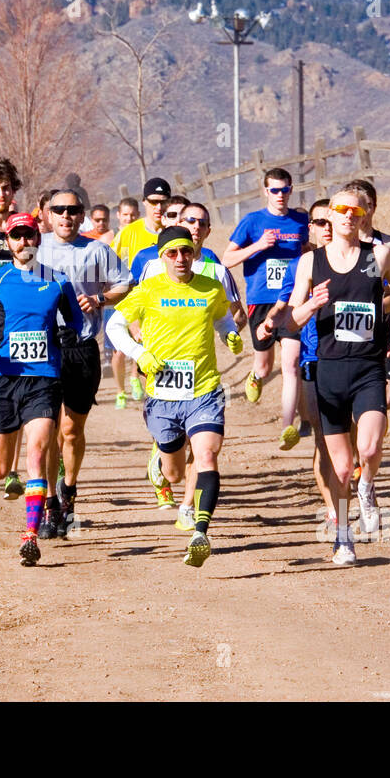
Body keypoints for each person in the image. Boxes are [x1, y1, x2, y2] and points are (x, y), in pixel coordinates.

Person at [273, 188, 390, 565]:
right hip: (329, 372)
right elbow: (290, 321)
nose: (349, 216)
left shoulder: (379, 256)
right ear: (330, 218)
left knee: (367, 449)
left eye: (356, 210)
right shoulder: (310, 264)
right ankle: (342, 537)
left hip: (368, 368)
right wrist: (311, 304)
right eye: (341, 210)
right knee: (339, 466)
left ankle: (367, 486)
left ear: (366, 214)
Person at [107, 226, 244, 567]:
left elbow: (224, 320)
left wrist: (231, 336)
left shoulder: (211, 287)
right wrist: (140, 354)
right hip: (163, 394)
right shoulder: (148, 290)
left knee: (207, 455)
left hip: (204, 389)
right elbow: (114, 327)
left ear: (194, 254)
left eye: (186, 252)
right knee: (174, 474)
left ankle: (201, 530)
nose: (181, 259)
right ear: (162, 256)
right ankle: (163, 463)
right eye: (172, 253)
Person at [0, 212, 83, 565]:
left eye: (30, 235)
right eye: (17, 236)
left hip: (44, 379)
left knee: (38, 453)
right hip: (2, 378)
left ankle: (29, 535)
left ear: (38, 240)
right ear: (8, 243)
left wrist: (70, 334)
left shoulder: (57, 281)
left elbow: (76, 321)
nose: (24, 241)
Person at [136, 201, 247, 530]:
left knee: (203, 449)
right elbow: (135, 312)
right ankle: (164, 451)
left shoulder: (216, 271)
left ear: (207, 232)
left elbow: (234, 314)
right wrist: (141, 342)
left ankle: (188, 505)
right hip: (161, 369)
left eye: (202, 223)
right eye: (189, 221)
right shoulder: (153, 268)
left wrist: (230, 334)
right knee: (174, 452)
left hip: (201, 378)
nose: (195, 228)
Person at [35, 189, 133, 536]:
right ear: (47, 213)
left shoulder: (96, 249)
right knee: (46, 429)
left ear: (82, 215)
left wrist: (99, 299)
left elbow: (126, 284)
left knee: (71, 430)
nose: (65, 215)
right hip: (44, 348)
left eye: (72, 210)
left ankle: (68, 495)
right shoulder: (36, 246)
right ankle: (47, 506)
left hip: (82, 348)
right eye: (58, 209)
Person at [258, 199, 336, 524]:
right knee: (323, 436)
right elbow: (288, 310)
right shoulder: (301, 265)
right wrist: (271, 320)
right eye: (319, 222)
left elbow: (389, 294)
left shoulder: (364, 260)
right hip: (315, 359)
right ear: (311, 229)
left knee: (357, 438)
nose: (327, 228)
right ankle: (334, 509)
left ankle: (361, 480)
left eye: (331, 221)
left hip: (357, 360)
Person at [222, 167, 310, 449]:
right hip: (260, 300)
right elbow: (227, 259)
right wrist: (258, 245)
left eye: (285, 190)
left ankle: (288, 426)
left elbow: (308, 252)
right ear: (265, 191)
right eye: (274, 190)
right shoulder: (252, 222)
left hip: (292, 300)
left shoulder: (300, 220)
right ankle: (254, 375)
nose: (280, 195)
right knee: (264, 364)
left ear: (291, 190)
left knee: (292, 364)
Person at [111, 178, 172, 407]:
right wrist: (132, 318)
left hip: (168, 310)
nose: (159, 208)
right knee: (128, 355)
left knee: (162, 368)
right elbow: (112, 270)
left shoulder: (176, 231)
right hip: (135, 308)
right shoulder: (130, 234)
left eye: (163, 202)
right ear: (144, 202)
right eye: (154, 202)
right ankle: (122, 391)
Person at [342, 179, 390, 410]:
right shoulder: (342, 244)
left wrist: (379, 309)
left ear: (373, 207)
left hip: (380, 328)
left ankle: (370, 441)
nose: (359, 212)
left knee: (387, 398)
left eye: (365, 205)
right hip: (347, 330)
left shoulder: (386, 244)